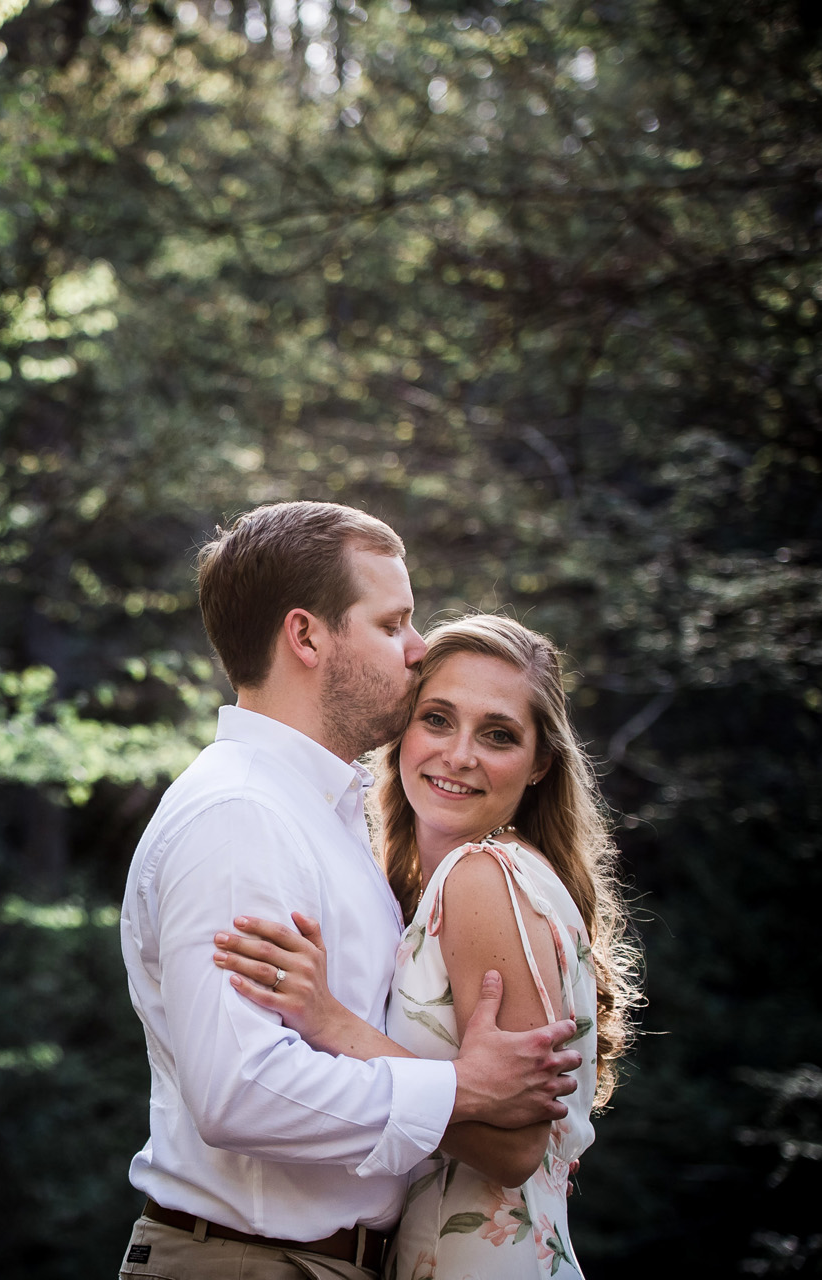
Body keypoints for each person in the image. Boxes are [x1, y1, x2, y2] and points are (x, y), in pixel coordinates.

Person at [116, 502, 583, 1280]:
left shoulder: (327, 815)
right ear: (306, 637)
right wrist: (459, 1090)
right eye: (393, 623)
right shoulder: (241, 817)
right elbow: (240, 1092)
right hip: (251, 1264)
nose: (419, 646)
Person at [212, 614, 639, 1279]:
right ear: (401, 731)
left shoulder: (483, 877)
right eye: (437, 719)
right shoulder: (455, 884)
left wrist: (332, 1023)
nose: (460, 755)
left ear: (539, 765)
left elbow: (516, 1150)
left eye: (498, 735)